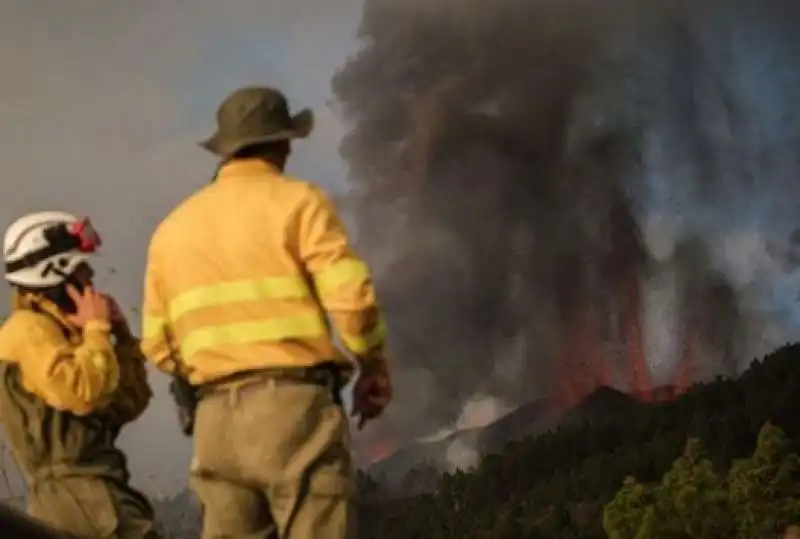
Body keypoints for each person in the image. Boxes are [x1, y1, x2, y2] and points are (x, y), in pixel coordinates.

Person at [140, 86, 393, 539]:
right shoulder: (298, 202)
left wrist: (212, 372)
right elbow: (352, 300)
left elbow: (157, 345)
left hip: (214, 425)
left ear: (225, 149)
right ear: (283, 143)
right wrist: (372, 365)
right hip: (293, 412)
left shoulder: (171, 230)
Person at [0, 211, 159, 539]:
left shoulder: (69, 340)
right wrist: (96, 329)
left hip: (100, 490)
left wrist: (122, 339)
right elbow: (81, 394)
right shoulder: (28, 330)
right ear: (57, 275)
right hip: (80, 499)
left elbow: (126, 405)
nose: (90, 285)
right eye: (82, 275)